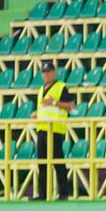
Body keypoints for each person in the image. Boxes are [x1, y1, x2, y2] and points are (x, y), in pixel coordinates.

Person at [32, 60, 75, 199]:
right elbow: (45, 108)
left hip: (55, 129)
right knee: (42, 162)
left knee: (57, 161)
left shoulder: (61, 87)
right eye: (44, 72)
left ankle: (64, 192)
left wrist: (54, 102)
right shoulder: (41, 89)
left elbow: (71, 106)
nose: (46, 74)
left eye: (49, 71)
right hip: (42, 129)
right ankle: (43, 193)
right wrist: (37, 113)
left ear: (54, 73)